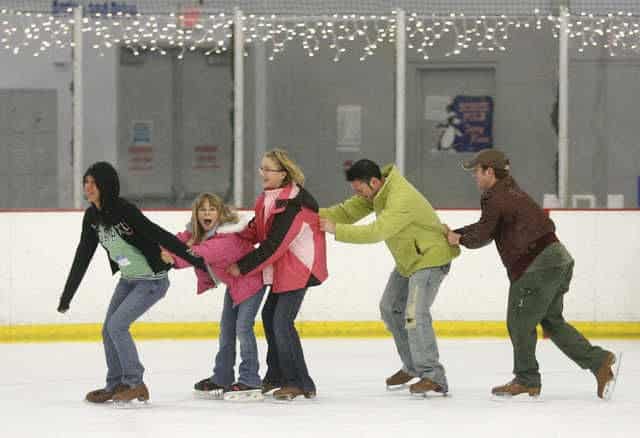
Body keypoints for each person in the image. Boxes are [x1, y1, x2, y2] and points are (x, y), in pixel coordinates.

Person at [445, 149, 616, 399]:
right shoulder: (510, 190)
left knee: (519, 322)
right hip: (559, 259)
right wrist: (458, 233)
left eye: (476, 172)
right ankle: (599, 362)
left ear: (489, 172)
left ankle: (526, 380)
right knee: (552, 322)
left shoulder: (496, 197)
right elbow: (487, 226)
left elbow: (483, 234)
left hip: (536, 266)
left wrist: (458, 239)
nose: (475, 177)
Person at [58, 161, 208, 405]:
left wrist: (199, 261)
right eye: (86, 182)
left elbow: (157, 233)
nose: (88, 187)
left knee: (117, 326)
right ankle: (115, 384)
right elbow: (82, 256)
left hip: (151, 281)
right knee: (108, 329)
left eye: (94, 183)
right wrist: (67, 297)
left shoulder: (124, 210)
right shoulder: (92, 217)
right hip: (128, 280)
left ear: (106, 185)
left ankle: (135, 383)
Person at [319, 159, 459, 396]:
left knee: (414, 314)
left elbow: (377, 231)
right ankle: (413, 366)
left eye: (360, 190)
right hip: (409, 261)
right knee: (390, 308)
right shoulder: (377, 192)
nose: (359, 195)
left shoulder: (399, 197)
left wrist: (336, 230)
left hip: (430, 258)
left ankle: (433, 376)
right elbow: (345, 212)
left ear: (374, 182)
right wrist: (305, 214)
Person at [226, 149, 328, 401]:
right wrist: (225, 243)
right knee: (270, 316)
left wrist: (242, 266)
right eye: (261, 168)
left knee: (282, 321)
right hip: (283, 268)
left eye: (268, 169)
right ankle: (277, 375)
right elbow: (256, 230)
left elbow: (274, 244)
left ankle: (299, 382)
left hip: (300, 268)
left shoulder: (296, 203)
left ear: (283, 173)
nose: (262, 173)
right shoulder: (268, 198)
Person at [161, 192, 266, 400]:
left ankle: (250, 380)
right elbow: (179, 240)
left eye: (212, 209)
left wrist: (171, 259)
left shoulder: (225, 239)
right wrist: (158, 246)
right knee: (226, 330)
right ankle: (223, 377)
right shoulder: (201, 234)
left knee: (243, 328)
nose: (206, 213)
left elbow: (196, 254)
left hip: (252, 282)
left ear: (220, 214)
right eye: (202, 209)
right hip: (235, 284)